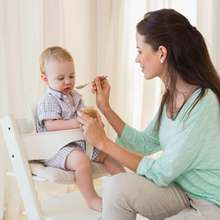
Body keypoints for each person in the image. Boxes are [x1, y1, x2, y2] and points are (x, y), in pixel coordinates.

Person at [77, 9, 220, 220]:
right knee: (117, 187)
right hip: (180, 192)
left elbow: (162, 172)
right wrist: (105, 108)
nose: (137, 59)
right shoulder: (172, 96)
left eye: (140, 51)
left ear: (161, 53)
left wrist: (103, 143)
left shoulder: (203, 102)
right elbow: (144, 144)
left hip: (209, 203)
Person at [37, 46, 125, 212]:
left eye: (72, 76)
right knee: (81, 160)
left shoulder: (76, 96)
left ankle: (127, 185)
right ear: (45, 79)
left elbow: (85, 114)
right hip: (56, 149)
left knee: (108, 153)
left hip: (79, 144)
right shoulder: (48, 99)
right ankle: (91, 199)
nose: (68, 81)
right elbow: (51, 125)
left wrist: (93, 122)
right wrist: (78, 122)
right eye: (61, 78)